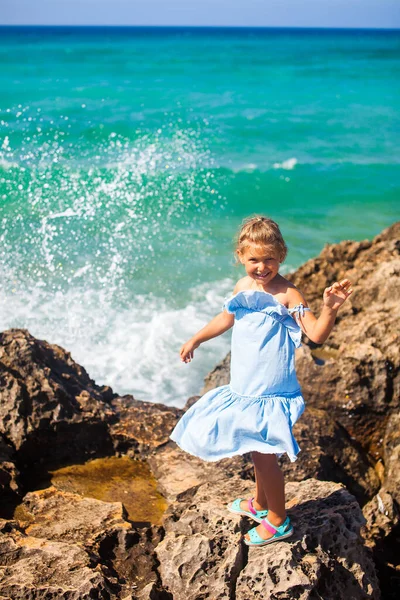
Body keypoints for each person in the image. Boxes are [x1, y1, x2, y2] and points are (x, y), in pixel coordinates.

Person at [170, 215, 353, 547]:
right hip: (245, 386)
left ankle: (279, 520)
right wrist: (196, 339)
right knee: (255, 450)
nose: (261, 266)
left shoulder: (288, 294)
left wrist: (329, 308)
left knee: (264, 454)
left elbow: (316, 334)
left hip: (269, 389)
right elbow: (226, 317)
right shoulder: (242, 288)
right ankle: (260, 503)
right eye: (254, 259)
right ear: (241, 257)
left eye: (269, 258)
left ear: (281, 255)